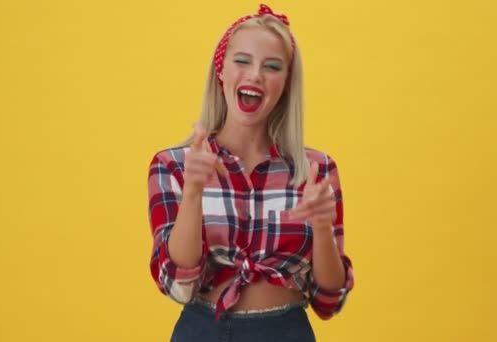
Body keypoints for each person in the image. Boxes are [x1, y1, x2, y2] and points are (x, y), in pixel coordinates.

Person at [147, 4, 354, 341]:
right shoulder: (173, 165)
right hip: (202, 331)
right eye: (242, 61)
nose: (255, 75)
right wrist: (194, 191)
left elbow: (328, 297)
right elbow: (178, 284)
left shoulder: (316, 171)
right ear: (222, 71)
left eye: (272, 67)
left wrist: (321, 228)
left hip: (287, 332)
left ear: (285, 84)